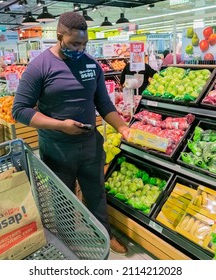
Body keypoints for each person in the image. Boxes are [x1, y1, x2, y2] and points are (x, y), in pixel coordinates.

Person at [12, 12, 129, 255]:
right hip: (57, 147)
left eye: (84, 44)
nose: (80, 49)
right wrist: (59, 125)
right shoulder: (39, 67)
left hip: (89, 144)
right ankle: (69, 239)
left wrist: (123, 127)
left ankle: (104, 233)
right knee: (62, 199)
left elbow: (104, 105)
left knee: (96, 192)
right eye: (75, 43)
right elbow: (20, 111)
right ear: (59, 37)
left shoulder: (91, 64)